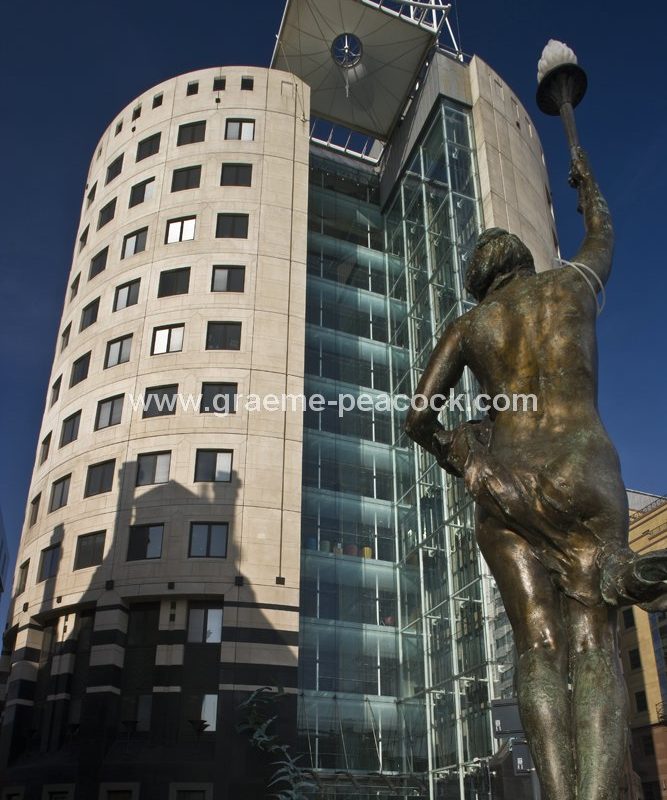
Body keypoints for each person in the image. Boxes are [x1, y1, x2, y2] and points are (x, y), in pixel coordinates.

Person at [405, 147, 667, 800]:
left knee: (536, 646)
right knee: (592, 643)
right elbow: (602, 233)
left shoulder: (471, 325)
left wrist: (464, 458)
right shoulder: (573, 283)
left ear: (479, 277)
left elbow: (417, 416)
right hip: (584, 471)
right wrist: (586, 184)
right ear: (521, 259)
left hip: (505, 485)